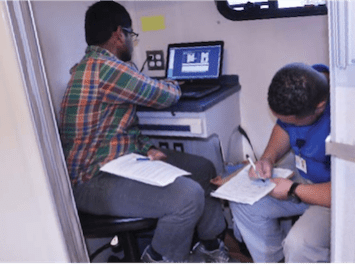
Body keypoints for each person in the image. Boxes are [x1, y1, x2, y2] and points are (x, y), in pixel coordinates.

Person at [59, 1, 233, 262]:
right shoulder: (105, 68)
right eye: (131, 35)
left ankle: (210, 245)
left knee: (203, 168)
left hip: (118, 161)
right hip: (90, 181)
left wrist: (145, 147)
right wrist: (175, 82)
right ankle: (159, 257)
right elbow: (164, 96)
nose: (131, 42)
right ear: (119, 33)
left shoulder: (95, 66)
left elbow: (120, 127)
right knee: (188, 196)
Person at [229, 62, 331, 263]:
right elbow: (283, 128)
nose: (288, 125)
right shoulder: (308, 83)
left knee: (299, 245)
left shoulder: (348, 116)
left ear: (320, 107)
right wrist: (268, 158)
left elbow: (349, 192)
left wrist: (293, 190)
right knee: (244, 202)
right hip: (303, 177)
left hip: (331, 195)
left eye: (292, 122)